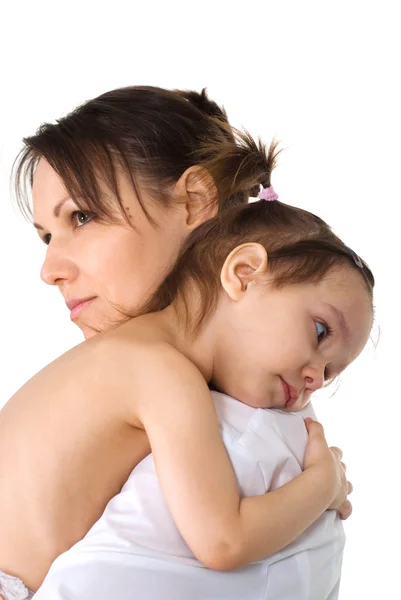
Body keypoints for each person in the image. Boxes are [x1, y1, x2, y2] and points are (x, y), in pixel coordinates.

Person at [0, 86, 371, 600]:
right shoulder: (157, 371)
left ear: (196, 201)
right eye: (48, 234)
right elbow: (222, 539)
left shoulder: (143, 365)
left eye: (80, 217)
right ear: (242, 271)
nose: (49, 270)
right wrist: (321, 485)